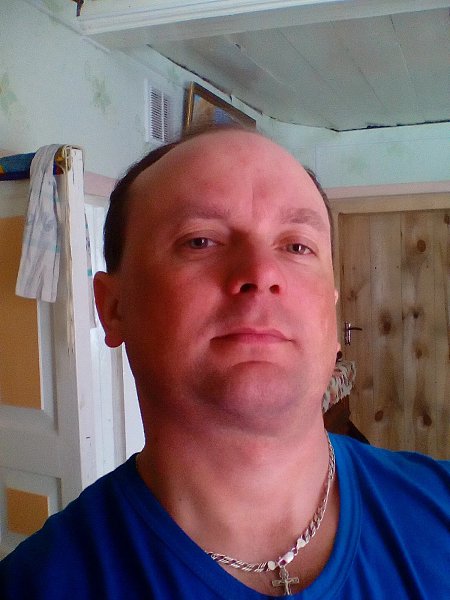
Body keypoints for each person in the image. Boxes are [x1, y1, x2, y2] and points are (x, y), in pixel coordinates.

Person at [0, 126, 449, 599]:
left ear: (331, 310)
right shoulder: (35, 586)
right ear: (113, 308)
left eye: (297, 246)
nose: (262, 272)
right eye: (200, 241)